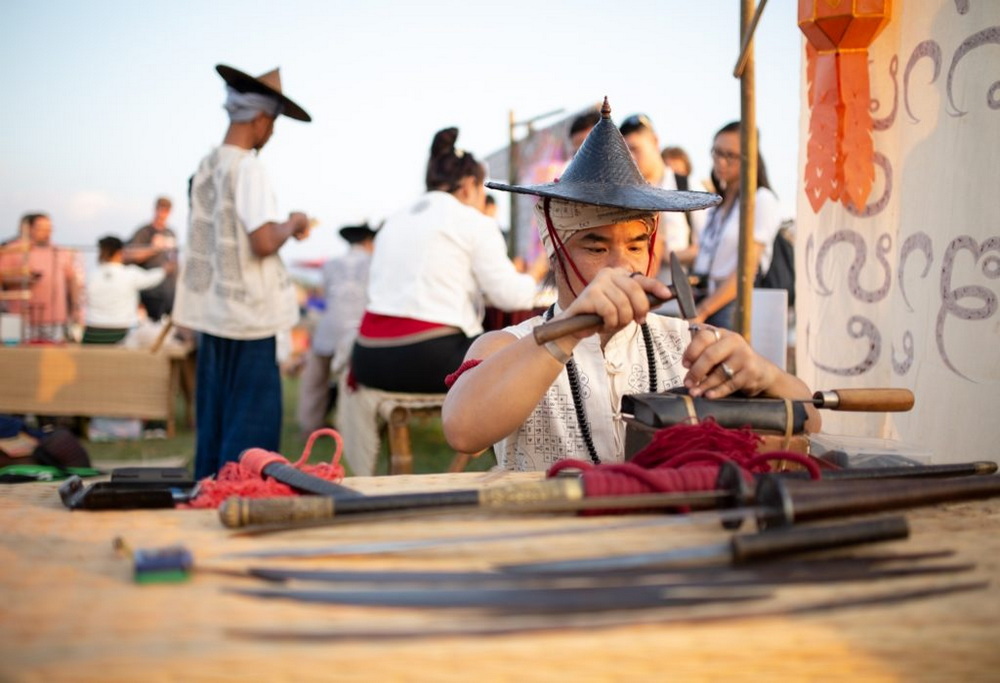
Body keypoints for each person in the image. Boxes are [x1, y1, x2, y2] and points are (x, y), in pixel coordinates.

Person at [442, 99, 820, 472]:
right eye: (596, 246)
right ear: (555, 249)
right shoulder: (510, 345)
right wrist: (566, 333)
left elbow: (812, 423)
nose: (621, 265)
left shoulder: (690, 344)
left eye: (636, 245)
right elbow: (462, 431)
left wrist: (764, 375)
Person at [173, 64, 313, 479]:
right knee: (250, 431)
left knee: (215, 421)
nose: (270, 134)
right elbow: (263, 240)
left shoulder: (206, 167)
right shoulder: (249, 167)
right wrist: (294, 222)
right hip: (250, 317)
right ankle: (241, 500)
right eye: (273, 125)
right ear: (261, 119)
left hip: (214, 312)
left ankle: (209, 497)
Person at [350, 127, 548, 394]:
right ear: (469, 186)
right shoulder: (473, 221)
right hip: (426, 358)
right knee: (523, 347)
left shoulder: (393, 220)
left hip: (367, 357)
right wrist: (535, 274)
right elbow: (511, 297)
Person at [691, 121, 782, 330]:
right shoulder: (718, 203)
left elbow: (747, 269)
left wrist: (704, 310)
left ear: (750, 159)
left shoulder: (761, 200)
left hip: (729, 305)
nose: (721, 162)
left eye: (730, 156)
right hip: (706, 298)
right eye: (717, 153)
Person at [296, 223, 377, 437]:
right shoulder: (375, 262)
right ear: (369, 241)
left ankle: (309, 425)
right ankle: (348, 430)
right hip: (357, 331)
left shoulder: (331, 263)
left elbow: (324, 296)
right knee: (351, 384)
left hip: (328, 328)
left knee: (316, 380)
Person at [620, 114, 704, 268]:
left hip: (680, 287)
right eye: (625, 153)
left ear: (655, 141)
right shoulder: (622, 195)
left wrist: (665, 256)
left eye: (634, 148)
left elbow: (708, 246)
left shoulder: (686, 186)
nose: (630, 157)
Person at [0, 213, 81, 342]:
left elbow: (72, 280)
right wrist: (22, 279)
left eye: (49, 229)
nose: (46, 233)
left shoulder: (59, 251)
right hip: (21, 318)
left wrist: (76, 308)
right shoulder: (12, 250)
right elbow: (2, 279)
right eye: (41, 229)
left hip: (54, 319)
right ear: (28, 228)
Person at [83, 235, 171, 344]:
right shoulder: (130, 274)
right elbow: (152, 278)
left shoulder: (91, 275)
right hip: (122, 334)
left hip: (92, 333)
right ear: (120, 253)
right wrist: (166, 269)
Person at [124, 196, 178, 321]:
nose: (163, 214)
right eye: (161, 209)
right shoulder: (144, 232)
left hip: (168, 289)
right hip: (149, 291)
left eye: (166, 210)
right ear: (156, 209)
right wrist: (153, 248)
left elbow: (174, 258)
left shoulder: (171, 232)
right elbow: (130, 256)